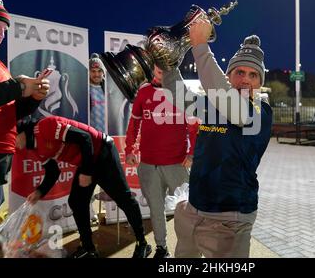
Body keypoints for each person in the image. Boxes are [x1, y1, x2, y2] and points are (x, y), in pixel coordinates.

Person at [161, 19, 273, 258]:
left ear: (260, 83)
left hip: (230, 218)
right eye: (239, 72)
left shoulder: (259, 112)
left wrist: (201, 47)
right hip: (195, 208)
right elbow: (180, 96)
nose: (245, 79)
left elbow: (233, 107)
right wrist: (168, 63)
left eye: (254, 75)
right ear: (229, 76)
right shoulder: (216, 107)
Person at [17, 116, 152, 258]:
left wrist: (87, 172)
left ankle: (143, 243)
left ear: (21, 132)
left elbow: (85, 138)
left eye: (13, 138)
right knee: (76, 202)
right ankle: (89, 249)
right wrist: (39, 192)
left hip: (102, 151)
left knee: (124, 198)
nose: (13, 144)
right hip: (86, 160)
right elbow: (53, 172)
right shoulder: (34, 149)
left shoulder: (45, 126)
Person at [0, 0, 49, 258]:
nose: (2, 33)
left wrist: (33, 97)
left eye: (5, 29)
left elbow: (8, 112)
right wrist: (19, 85)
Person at [124, 64, 199, 258]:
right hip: (149, 165)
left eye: (166, 65)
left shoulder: (183, 93)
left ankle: (190, 252)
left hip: (177, 164)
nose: (161, 69)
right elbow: (134, 122)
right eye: (157, 64)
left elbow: (194, 128)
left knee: (188, 212)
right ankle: (161, 248)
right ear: (152, 68)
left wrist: (192, 154)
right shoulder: (144, 92)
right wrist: (130, 149)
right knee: (156, 210)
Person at [89, 53, 106, 133]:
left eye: (99, 71)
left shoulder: (108, 89)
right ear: (88, 72)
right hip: (91, 136)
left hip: (108, 136)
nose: (96, 74)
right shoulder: (84, 89)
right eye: (93, 71)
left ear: (103, 73)